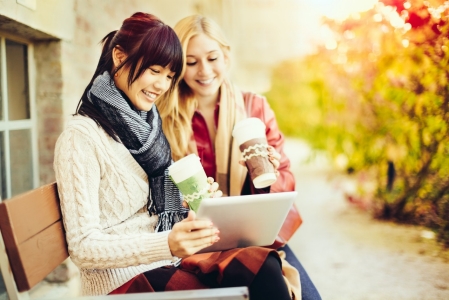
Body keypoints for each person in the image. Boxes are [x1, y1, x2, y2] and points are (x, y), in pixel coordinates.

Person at [53, 12, 293, 299]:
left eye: (169, 76)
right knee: (256, 279)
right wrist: (167, 243)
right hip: (124, 283)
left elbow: (146, 209)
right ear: (119, 56)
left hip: (163, 263)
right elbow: (83, 248)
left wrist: (188, 206)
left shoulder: (146, 127)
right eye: (154, 71)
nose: (162, 86)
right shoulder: (82, 137)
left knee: (263, 265)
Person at [158, 15, 322, 300]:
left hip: (255, 236)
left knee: (308, 297)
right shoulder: (164, 116)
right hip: (197, 241)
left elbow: (285, 180)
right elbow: (157, 189)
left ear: (226, 56)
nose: (204, 70)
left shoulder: (254, 106)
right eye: (192, 61)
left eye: (212, 58)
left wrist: (267, 173)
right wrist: (176, 198)